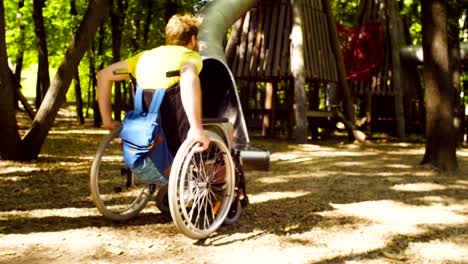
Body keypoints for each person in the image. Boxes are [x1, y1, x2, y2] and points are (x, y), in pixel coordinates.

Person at [97, 13, 209, 153]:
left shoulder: (143, 57)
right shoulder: (188, 55)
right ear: (193, 39)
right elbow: (188, 77)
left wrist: (107, 121)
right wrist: (196, 128)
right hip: (175, 137)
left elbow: (103, 75)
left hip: (143, 134)